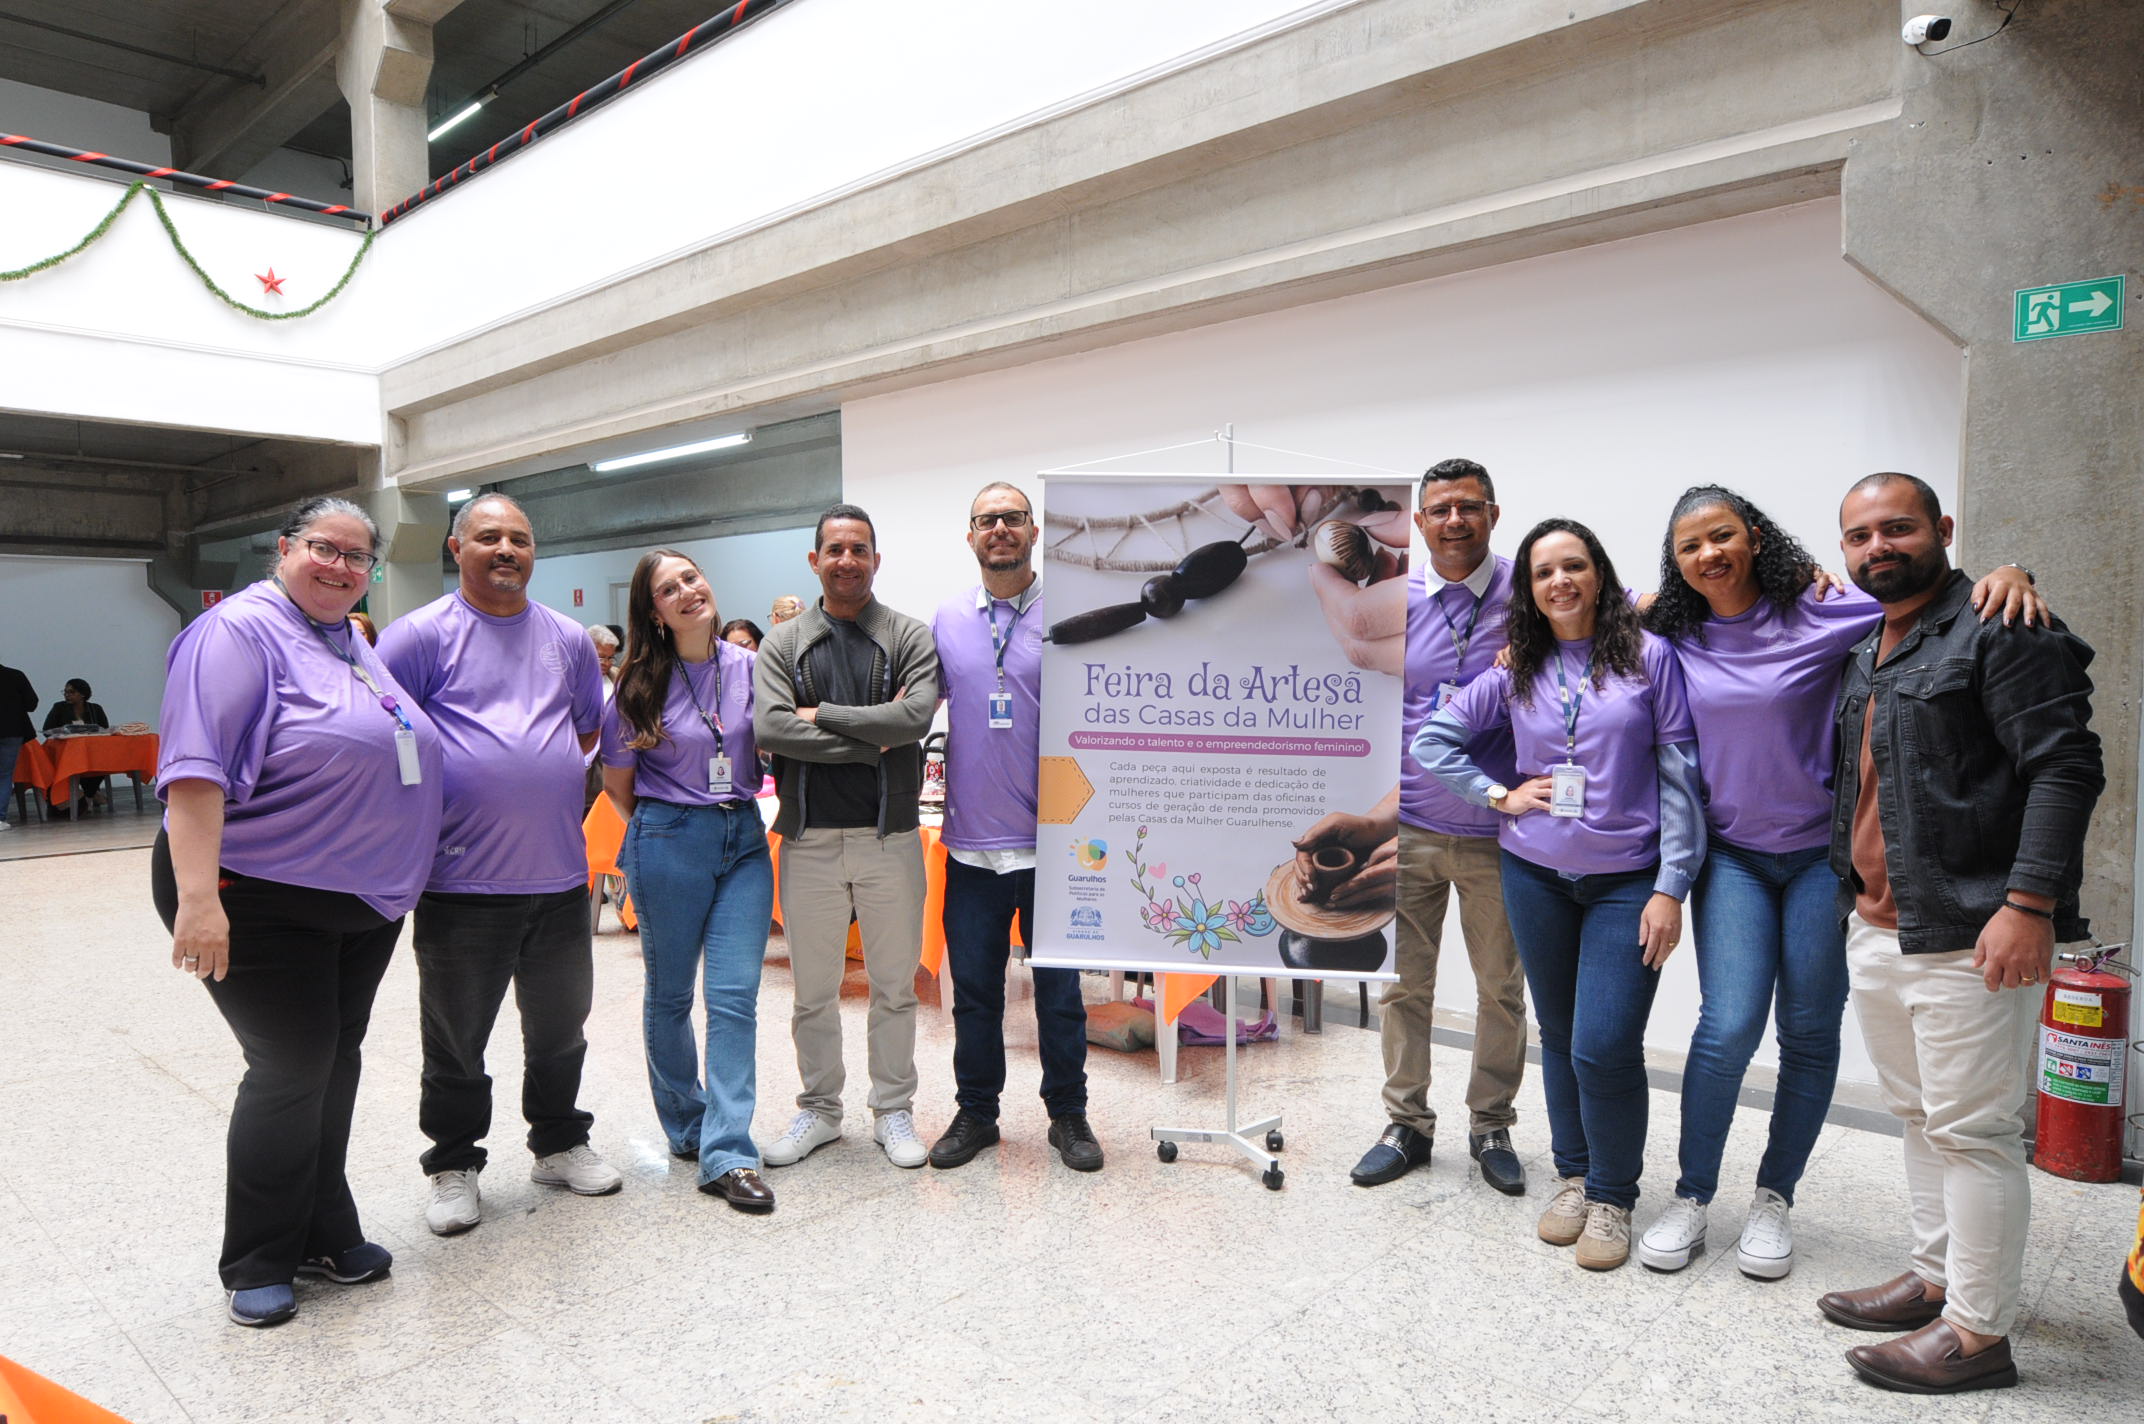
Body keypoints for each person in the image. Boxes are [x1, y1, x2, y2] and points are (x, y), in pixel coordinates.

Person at [1634, 487, 2043, 1280]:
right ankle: (1691, 1195)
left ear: (1756, 538)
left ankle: (1774, 1198)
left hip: (1825, 860)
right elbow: (1583, 602)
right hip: (1734, 859)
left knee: (1810, 1032)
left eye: (1723, 536)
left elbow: (1933, 598)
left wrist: (2013, 571)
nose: (1710, 554)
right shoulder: (1675, 630)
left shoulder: (1829, 612)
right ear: (1675, 561)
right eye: (1690, 546)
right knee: (1727, 1028)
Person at [1814, 472, 2101, 1395]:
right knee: (1920, 1118)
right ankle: (1936, 1279)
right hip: (1879, 924)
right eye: (1859, 535)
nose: (1878, 547)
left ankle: (1977, 1334)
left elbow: (2066, 768)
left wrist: (2030, 906)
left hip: (1974, 928)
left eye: (1897, 528)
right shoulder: (1869, 649)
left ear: (1942, 528)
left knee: (1974, 1132)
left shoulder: (2003, 627)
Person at [150, 496, 443, 1328]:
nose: (341, 567)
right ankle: (258, 1257)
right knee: (290, 1067)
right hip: (252, 891)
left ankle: (323, 1230)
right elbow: (194, 771)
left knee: (333, 1061)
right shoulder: (237, 631)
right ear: (285, 548)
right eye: (325, 548)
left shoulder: (345, 637)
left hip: (358, 900)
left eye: (358, 557)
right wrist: (199, 901)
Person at [1416, 517, 1703, 1271]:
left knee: (1604, 1045)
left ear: (1599, 574)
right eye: (1543, 572)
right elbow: (1431, 740)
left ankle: (1613, 1197)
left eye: (1573, 565)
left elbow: (1681, 777)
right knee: (1560, 1031)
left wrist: (1672, 885)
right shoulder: (1519, 666)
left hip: (1627, 880)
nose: (1559, 581)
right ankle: (1574, 1177)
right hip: (1533, 873)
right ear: (1530, 590)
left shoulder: (1649, 656)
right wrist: (1499, 794)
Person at [377, 494, 621, 1237]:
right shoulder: (418, 636)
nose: (507, 549)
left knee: (562, 1029)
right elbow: (382, 740)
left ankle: (559, 1142)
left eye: (520, 538)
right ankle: (454, 1163)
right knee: (456, 1039)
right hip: (461, 883)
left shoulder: (567, 638)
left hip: (558, 877)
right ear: (457, 548)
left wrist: (524, 772)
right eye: (489, 537)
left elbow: (584, 733)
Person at [1309, 459, 1528, 1196]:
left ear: (1493, 514)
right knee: (1405, 987)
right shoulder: (1399, 598)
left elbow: (1633, 606)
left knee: (1501, 991)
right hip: (1412, 830)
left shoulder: (1531, 591)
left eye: (1469, 506)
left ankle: (1491, 1125)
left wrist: (1801, 583)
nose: (1454, 520)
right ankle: (1406, 1123)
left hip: (1500, 834)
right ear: (1421, 520)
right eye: (1439, 509)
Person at [753, 505, 940, 1169]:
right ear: (815, 560)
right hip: (808, 840)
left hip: (890, 838)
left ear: (875, 560)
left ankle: (892, 1110)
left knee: (894, 987)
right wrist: (871, 742)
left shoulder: (908, 635)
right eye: (834, 549)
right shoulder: (783, 644)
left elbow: (914, 718)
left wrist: (822, 717)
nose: (847, 560)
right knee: (813, 992)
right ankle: (820, 1111)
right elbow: (772, 729)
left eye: (859, 549)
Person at [926, 481, 1102, 1174]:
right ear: (970, 536)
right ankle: (977, 1112)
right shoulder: (946, 619)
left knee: (1060, 996)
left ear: (1034, 531)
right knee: (975, 995)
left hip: (1055, 843)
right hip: (972, 847)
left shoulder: (1070, 615)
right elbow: (913, 707)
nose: (999, 528)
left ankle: (1069, 1114)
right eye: (986, 519)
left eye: (1012, 518)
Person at [602, 549, 778, 1212]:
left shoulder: (751, 667)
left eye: (691, 578)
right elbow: (617, 786)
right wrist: (669, 827)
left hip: (744, 841)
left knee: (734, 999)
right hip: (669, 838)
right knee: (671, 995)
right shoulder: (637, 682)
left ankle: (728, 1151)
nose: (686, 591)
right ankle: (686, 1124)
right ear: (654, 612)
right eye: (667, 589)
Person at [43, 677, 112, 809]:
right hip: (67, 752)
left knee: (103, 762)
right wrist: (63, 732)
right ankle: (91, 795)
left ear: (83, 694)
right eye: (65, 692)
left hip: (91, 751)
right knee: (76, 764)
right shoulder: (59, 707)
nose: (67, 695)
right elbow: (47, 730)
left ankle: (89, 794)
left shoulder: (95, 708)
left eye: (71, 692)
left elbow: (104, 730)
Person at [0, 656, 34, 832]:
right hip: (12, 731)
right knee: (5, 775)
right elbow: (32, 703)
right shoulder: (16, 675)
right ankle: (0, 818)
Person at [588, 625, 620, 693]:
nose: (607, 663)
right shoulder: (573, 680)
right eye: (601, 657)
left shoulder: (616, 676)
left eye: (610, 658)